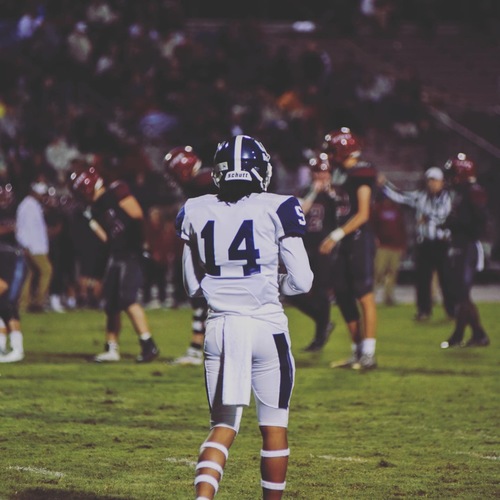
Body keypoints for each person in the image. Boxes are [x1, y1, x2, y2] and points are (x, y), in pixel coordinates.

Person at [176, 135, 313, 499]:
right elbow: (303, 281)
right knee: (274, 426)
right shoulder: (279, 205)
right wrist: (273, 281)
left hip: (220, 328)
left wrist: (225, 283)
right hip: (266, 327)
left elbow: (192, 286)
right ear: (261, 171)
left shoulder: (194, 208)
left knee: (222, 427)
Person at [69, 163, 160, 363]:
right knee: (110, 303)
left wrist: (145, 246)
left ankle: (148, 344)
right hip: (116, 254)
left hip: (132, 253)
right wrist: (92, 223)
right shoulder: (94, 208)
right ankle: (111, 348)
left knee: (127, 298)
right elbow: (107, 238)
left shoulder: (117, 191)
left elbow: (138, 216)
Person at [319, 127, 378, 370]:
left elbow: (363, 214)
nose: (330, 156)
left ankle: (369, 354)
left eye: (332, 151)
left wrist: (336, 235)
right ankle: (356, 351)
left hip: (359, 240)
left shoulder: (362, 172)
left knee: (364, 294)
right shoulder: (342, 172)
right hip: (345, 240)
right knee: (343, 294)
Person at [378, 166, 454, 320]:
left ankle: (451, 311)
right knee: (422, 279)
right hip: (424, 244)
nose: (432, 184)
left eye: (435, 181)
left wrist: (427, 217)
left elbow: (443, 215)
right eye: (430, 180)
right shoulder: (420, 196)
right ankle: (424, 311)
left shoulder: (447, 197)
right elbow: (401, 196)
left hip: (441, 243)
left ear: (442, 182)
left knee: (446, 279)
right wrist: (385, 184)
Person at [163, 145, 215, 366]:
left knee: (203, 295)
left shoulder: (202, 182)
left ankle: (198, 349)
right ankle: (198, 347)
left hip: (215, 245)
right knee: (202, 297)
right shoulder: (208, 179)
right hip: (216, 244)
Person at [440, 153, 490, 349]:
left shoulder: (474, 191)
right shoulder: (462, 192)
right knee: (459, 294)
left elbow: (479, 220)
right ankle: (466, 334)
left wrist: (455, 223)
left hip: (468, 246)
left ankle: (476, 334)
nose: (450, 179)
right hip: (460, 245)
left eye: (453, 174)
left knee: (461, 293)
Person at [289, 152, 336, 352]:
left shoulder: (336, 193)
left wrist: (332, 194)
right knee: (292, 291)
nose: (321, 176)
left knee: (321, 293)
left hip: (325, 248)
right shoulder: (304, 191)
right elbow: (299, 213)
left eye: (324, 172)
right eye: (317, 171)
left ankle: (319, 337)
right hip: (304, 247)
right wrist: (314, 193)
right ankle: (323, 322)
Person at [15, 180, 53, 313]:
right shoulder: (27, 206)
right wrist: (25, 246)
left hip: (35, 246)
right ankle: (38, 302)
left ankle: (24, 304)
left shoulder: (33, 205)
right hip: (33, 247)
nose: (42, 196)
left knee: (28, 274)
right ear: (33, 192)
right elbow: (22, 228)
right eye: (40, 193)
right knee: (47, 270)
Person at [371, 191, 407, 305]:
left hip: (395, 246)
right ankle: (370, 296)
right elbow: (372, 225)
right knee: (378, 271)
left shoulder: (397, 209)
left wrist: (403, 245)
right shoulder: (377, 209)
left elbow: (402, 228)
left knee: (392, 272)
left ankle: (389, 296)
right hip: (382, 246)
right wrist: (374, 238)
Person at [0, 242, 28, 363]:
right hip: (9, 255)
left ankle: (17, 349)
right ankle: (1, 347)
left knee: (7, 303)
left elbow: (3, 285)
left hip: (11, 257)